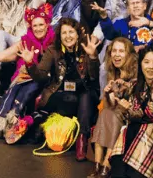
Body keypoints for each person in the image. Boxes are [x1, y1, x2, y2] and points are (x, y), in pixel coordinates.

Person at [102, 45, 153, 178]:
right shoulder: (134, 85)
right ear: (140, 64)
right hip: (137, 127)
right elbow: (129, 113)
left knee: (147, 129)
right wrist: (116, 100)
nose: (150, 67)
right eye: (146, 62)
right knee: (126, 130)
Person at [33, 20, 102, 161]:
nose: (68, 36)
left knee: (85, 96)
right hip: (61, 94)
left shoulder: (86, 48)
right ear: (60, 35)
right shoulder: (53, 50)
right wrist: (30, 64)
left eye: (71, 32)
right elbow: (40, 76)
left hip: (84, 94)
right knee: (69, 98)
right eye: (64, 32)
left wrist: (93, 57)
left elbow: (94, 78)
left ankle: (82, 140)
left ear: (77, 34)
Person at [92, 37, 138, 178]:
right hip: (117, 112)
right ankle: (97, 165)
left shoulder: (136, 72)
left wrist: (126, 87)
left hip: (133, 113)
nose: (116, 55)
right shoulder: (112, 72)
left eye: (121, 51)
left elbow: (135, 102)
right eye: (114, 51)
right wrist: (107, 93)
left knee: (112, 115)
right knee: (105, 113)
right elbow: (110, 105)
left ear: (128, 54)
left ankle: (107, 163)